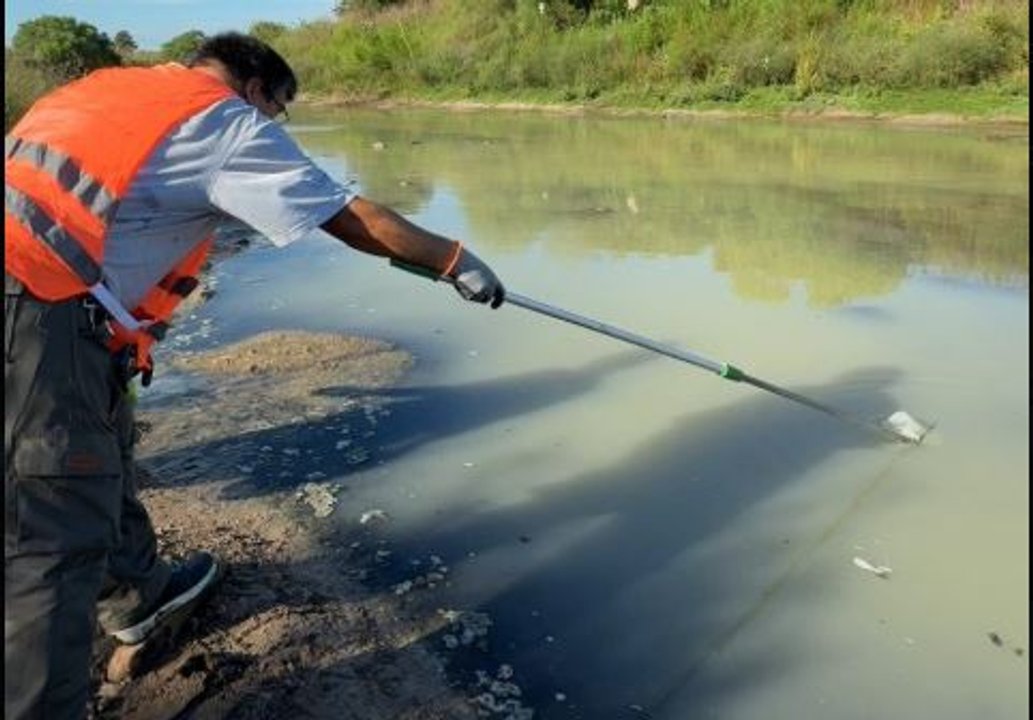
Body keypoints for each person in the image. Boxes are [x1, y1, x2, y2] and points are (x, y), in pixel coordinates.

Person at [4, 31, 505, 719]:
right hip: (36, 312)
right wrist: (451, 259)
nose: (272, 128)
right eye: (278, 113)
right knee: (52, 531)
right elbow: (342, 215)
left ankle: (141, 599)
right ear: (256, 89)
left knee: (100, 454)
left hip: (54, 305)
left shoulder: (105, 90)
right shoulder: (220, 119)